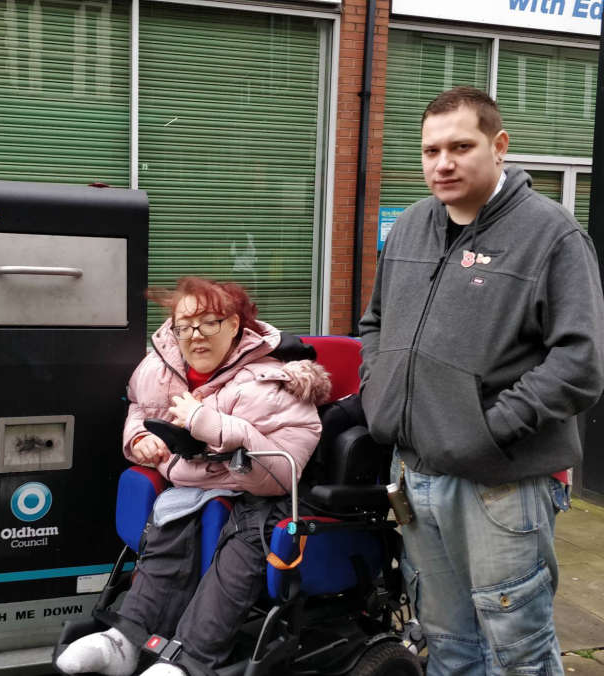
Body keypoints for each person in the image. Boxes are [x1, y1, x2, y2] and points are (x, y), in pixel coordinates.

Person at [359, 86, 604, 675]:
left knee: (515, 646)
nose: (442, 163)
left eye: (460, 146)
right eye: (430, 150)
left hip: (501, 484)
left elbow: (580, 362)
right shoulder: (412, 227)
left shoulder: (553, 236)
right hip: (414, 475)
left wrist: (485, 430)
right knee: (446, 641)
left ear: (498, 147)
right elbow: (374, 324)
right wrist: (379, 392)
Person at [56, 277, 330, 676]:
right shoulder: (159, 367)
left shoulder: (275, 382)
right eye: (184, 326)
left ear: (235, 325)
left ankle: (190, 660)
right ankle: (126, 641)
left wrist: (212, 425)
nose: (194, 336)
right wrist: (140, 439)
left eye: (208, 323)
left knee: (243, 544)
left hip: (258, 493)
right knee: (172, 519)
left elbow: (282, 472)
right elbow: (138, 408)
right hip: (191, 483)